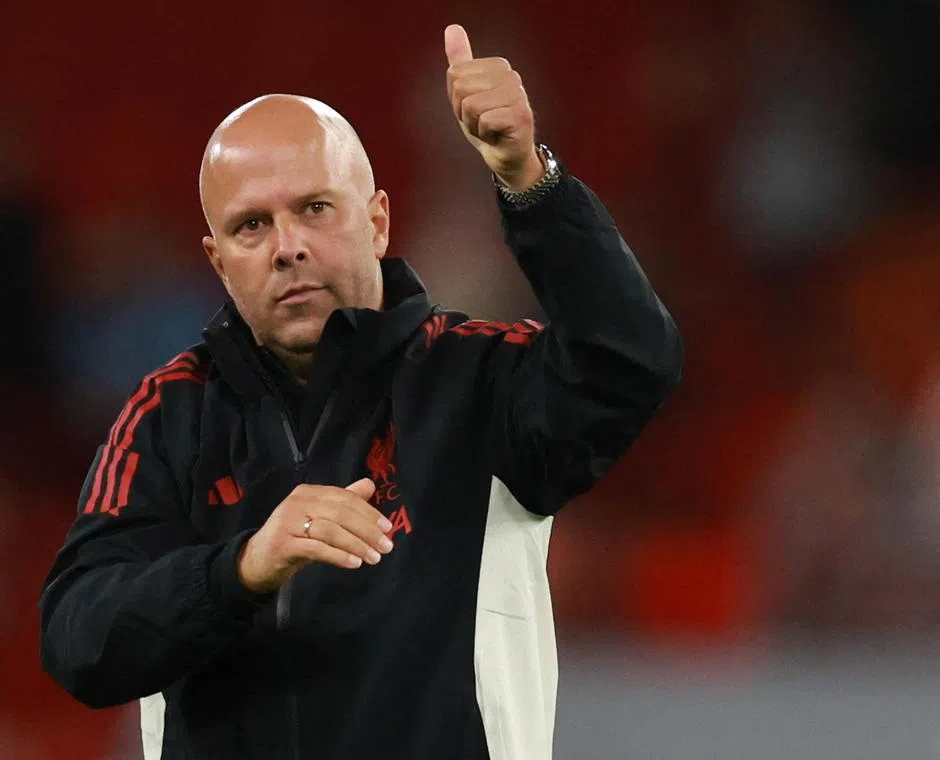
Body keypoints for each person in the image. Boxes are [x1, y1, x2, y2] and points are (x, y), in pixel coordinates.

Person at [39, 24, 682, 760]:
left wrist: (529, 181)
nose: (288, 247)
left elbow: (633, 360)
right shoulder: (168, 415)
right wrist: (242, 568)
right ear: (219, 261)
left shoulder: (478, 383)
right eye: (252, 226)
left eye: (315, 208)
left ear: (377, 221)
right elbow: (77, 639)